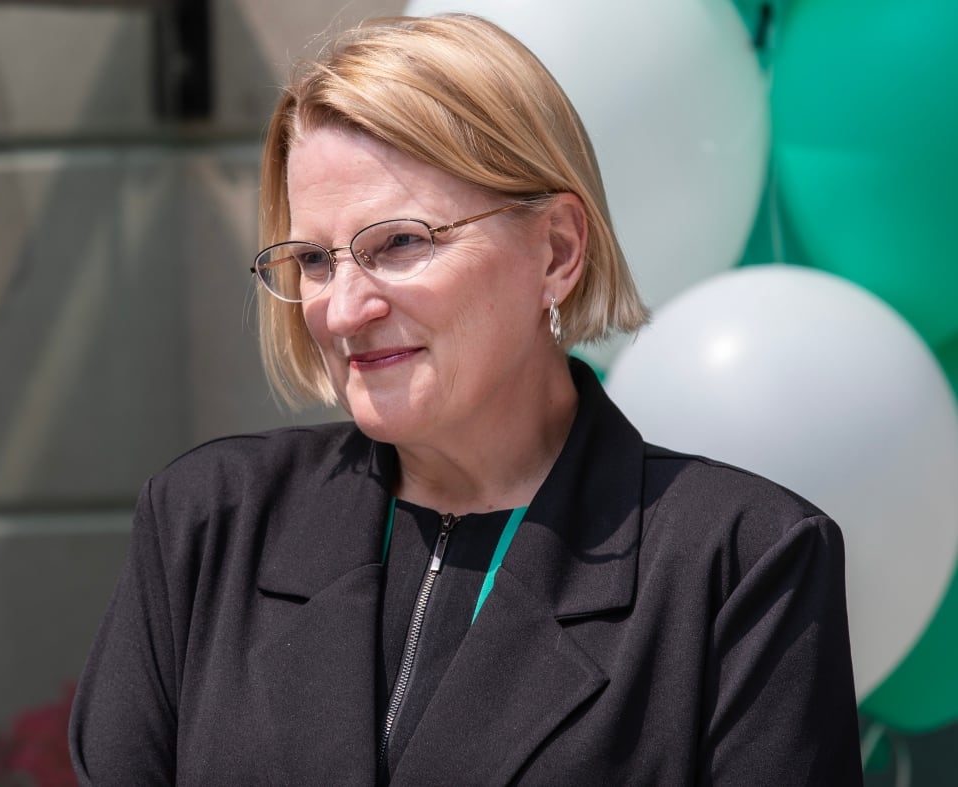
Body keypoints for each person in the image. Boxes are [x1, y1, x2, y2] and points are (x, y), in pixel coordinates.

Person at [69, 13, 862, 785]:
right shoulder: (209, 525)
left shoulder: (742, 565)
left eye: (401, 243)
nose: (343, 310)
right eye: (314, 260)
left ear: (556, 250)